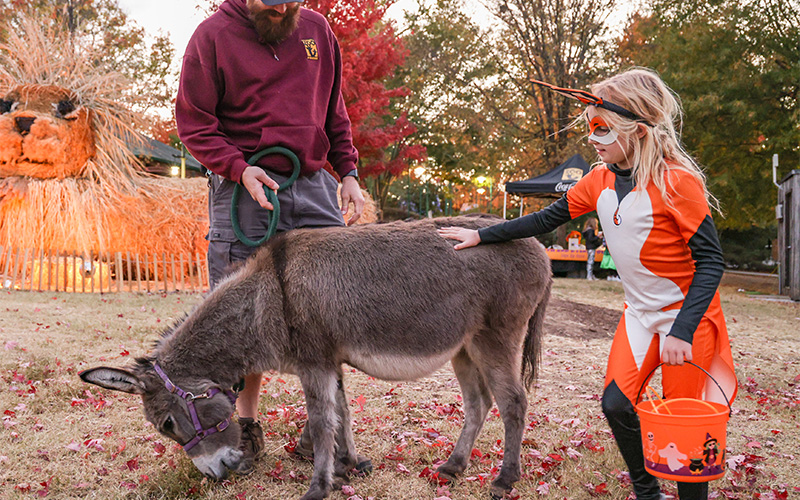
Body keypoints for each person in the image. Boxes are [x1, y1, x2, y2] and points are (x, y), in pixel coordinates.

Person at [438, 68, 737, 500]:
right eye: (589, 128)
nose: (592, 139)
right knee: (616, 404)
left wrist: (684, 330)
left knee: (685, 432)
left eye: (602, 129)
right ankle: (647, 492)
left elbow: (711, 262)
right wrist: (482, 234)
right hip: (640, 317)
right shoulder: (597, 179)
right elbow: (544, 219)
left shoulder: (676, 180)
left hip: (686, 321)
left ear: (635, 130)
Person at [175, 0, 365, 473]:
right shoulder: (212, 36)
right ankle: (247, 426)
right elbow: (195, 125)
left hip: (312, 181)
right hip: (244, 184)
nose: (279, 6)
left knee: (333, 306)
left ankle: (324, 428)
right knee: (243, 314)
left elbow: (333, 110)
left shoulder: (318, 30)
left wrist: (349, 172)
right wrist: (239, 169)